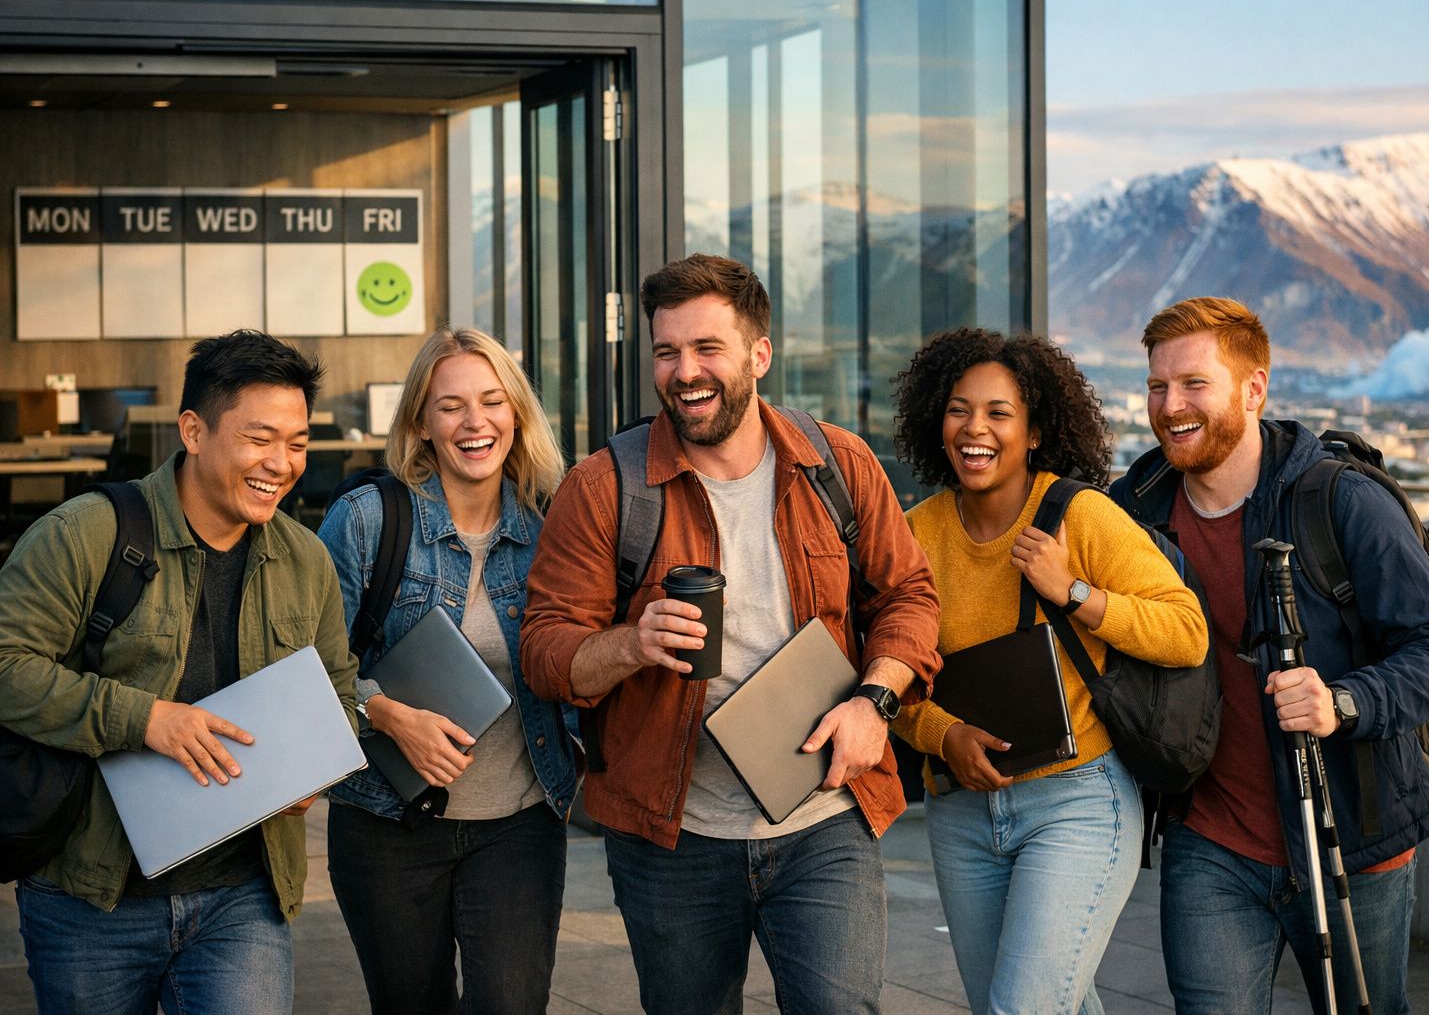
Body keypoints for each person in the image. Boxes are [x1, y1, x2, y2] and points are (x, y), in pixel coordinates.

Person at [521, 253, 941, 1015]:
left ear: (759, 355)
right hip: (671, 837)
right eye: (667, 351)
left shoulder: (836, 464)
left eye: (707, 348)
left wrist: (874, 703)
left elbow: (909, 597)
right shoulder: (603, 487)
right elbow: (546, 653)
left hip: (825, 814)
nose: (685, 371)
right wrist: (631, 642)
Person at [1109, 297, 1429, 1015]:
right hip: (1209, 842)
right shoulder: (1136, 508)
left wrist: (1344, 702)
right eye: (1157, 386)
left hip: (1353, 838)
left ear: (1254, 389)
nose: (1170, 405)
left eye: (1193, 384)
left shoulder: (1339, 500)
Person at [0, 330, 357, 1015]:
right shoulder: (85, 534)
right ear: (193, 431)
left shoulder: (307, 561)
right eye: (259, 439)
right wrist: (145, 719)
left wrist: (309, 768)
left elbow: (337, 690)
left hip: (244, 896)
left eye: (298, 443)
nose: (281, 464)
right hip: (91, 897)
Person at [888, 328, 1209, 1015]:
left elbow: (1187, 633)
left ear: (1035, 432)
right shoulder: (915, 535)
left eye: (999, 413)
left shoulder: (1080, 516)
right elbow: (889, 674)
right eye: (958, 409)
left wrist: (1074, 593)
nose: (975, 429)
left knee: (1022, 1008)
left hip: (1077, 804)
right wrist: (943, 737)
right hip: (961, 811)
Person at [317, 327, 580, 1014]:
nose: (475, 423)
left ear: (516, 414)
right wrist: (388, 715)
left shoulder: (551, 525)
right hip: (388, 827)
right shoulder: (368, 520)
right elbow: (307, 667)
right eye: (451, 405)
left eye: (492, 401)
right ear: (421, 422)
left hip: (518, 825)